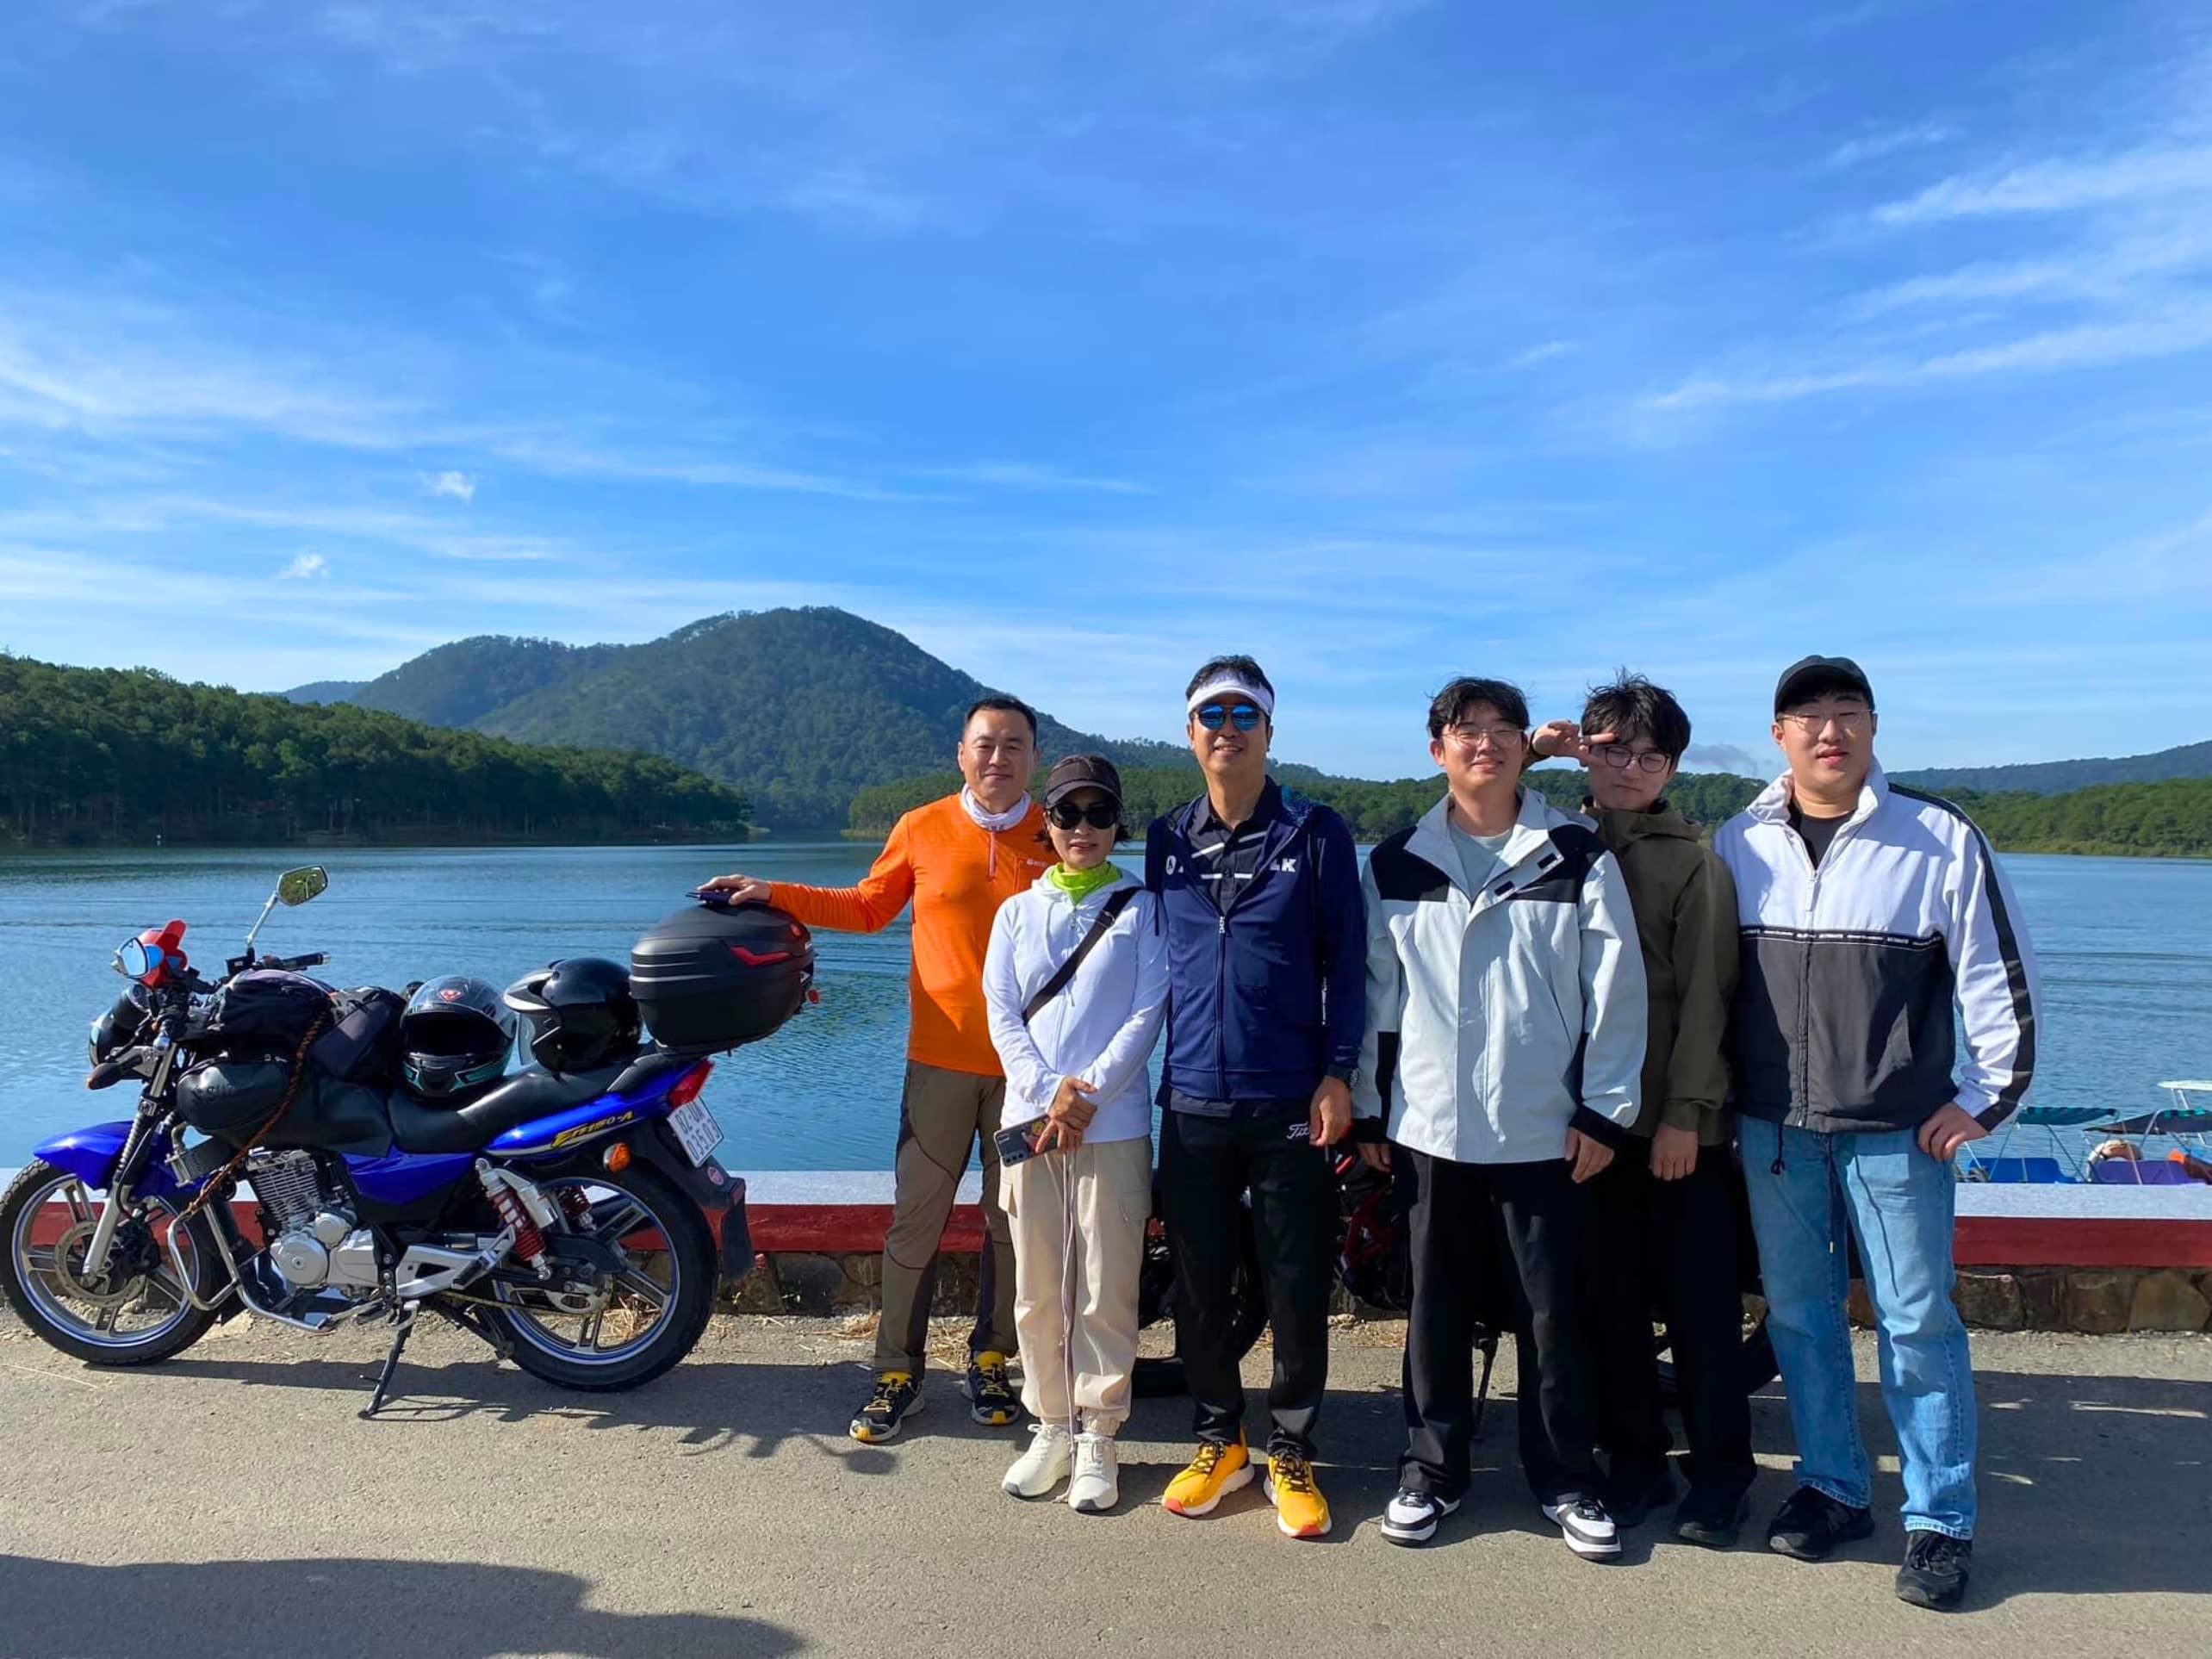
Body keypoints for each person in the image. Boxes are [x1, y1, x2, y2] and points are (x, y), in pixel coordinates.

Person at [1714, 655, 2041, 1611]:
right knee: (1799, 1317)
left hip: (1898, 1130)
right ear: (1779, 735)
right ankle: (1834, 1488)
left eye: (1847, 711)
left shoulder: (1937, 837)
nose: (1830, 730)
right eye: (1808, 714)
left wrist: (1983, 1099)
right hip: (1775, 1126)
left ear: (1872, 726)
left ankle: (1940, 1520)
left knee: (1916, 1322)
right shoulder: (1740, 840)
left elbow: (1997, 978)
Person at [703, 697, 1053, 1444]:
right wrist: (774, 893)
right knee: (915, 1223)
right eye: (985, 744)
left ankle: (993, 1359)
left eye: (1013, 745)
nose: (998, 757)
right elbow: (866, 907)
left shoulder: (1057, 834)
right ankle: (897, 1371)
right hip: (938, 1064)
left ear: (1034, 756)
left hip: (1027, 1073)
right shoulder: (922, 827)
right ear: (961, 753)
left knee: (1011, 1222)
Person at [1353, 676, 1646, 1560]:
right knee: (1434, 1311)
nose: (1484, 743)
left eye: (1502, 729)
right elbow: (1375, 998)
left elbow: (1616, 991)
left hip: (1542, 1126)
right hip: (1430, 1126)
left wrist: (1606, 1112)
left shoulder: (1573, 853)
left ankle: (1566, 1480)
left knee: (1554, 1315)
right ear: (1437, 748)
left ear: (1526, 745)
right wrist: (1369, 1107)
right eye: (1465, 729)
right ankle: (1430, 1471)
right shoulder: (1397, 861)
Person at [1527, 674, 1756, 1546]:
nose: (1629, 768)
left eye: (1650, 756)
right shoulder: (1552, 844)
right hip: (1585, 1124)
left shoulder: (1694, 864)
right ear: (1585, 751)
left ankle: (1721, 1476)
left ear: (1673, 768)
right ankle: (1636, 1460)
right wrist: (1536, 750)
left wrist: (1686, 1116)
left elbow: (1708, 999)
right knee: (1608, 1307)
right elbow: (1478, 794)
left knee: (1701, 1313)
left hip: (1671, 1126)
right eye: (1612, 748)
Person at [1147, 654, 1367, 1541]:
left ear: (1270, 732)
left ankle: (1291, 1447)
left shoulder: (1316, 831)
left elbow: (1349, 963)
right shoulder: (1166, 838)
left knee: (1295, 1281)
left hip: (1290, 1100)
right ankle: (1219, 1440)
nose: (1228, 730)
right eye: (1213, 715)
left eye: (1245, 716)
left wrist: (1340, 1071)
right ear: (1190, 733)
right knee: (1199, 1286)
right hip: (1192, 1098)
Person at [981, 755, 1167, 1515]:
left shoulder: (1143, 908)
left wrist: (1085, 1093)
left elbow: (1148, 1011)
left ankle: (1099, 1433)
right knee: (1036, 1287)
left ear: (1117, 822)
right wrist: (1045, 1091)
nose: (1082, 828)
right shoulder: (1016, 914)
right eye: (1067, 814)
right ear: (1048, 823)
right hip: (1031, 1122)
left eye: (1098, 814)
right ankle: (1051, 1425)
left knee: (1105, 1286)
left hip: (1111, 1124)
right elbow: (1000, 1013)